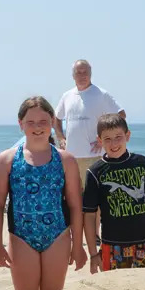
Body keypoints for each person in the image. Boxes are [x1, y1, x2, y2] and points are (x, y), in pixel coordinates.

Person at [0, 97, 87, 290]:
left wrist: (78, 244)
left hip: (58, 236)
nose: (37, 127)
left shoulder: (66, 160)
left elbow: (75, 205)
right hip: (22, 238)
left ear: (52, 122)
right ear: (20, 124)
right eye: (30, 122)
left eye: (43, 121)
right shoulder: (6, 160)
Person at [82, 114, 145, 273]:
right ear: (100, 141)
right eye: (107, 139)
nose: (113, 143)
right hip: (111, 245)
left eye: (118, 137)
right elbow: (89, 215)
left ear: (128, 136)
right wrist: (93, 253)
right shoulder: (94, 172)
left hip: (144, 242)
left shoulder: (142, 163)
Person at [54, 60, 125, 239]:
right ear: (73, 75)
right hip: (71, 157)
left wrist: (105, 140)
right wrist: (61, 138)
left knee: (96, 200)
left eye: (85, 72)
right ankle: (74, 234)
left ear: (91, 73)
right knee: (72, 198)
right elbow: (56, 118)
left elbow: (121, 115)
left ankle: (94, 234)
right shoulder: (67, 96)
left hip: (96, 156)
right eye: (78, 72)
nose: (82, 75)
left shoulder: (101, 94)